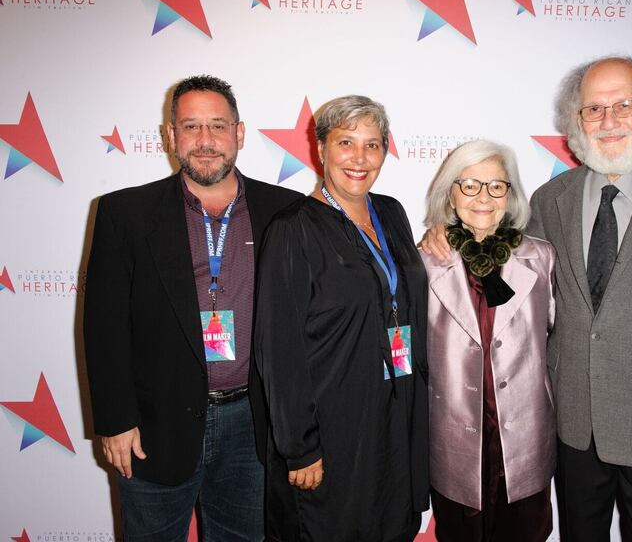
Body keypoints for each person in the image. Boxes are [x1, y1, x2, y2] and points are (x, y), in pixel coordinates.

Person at [422, 56, 632, 541]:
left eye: (624, 106)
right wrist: (440, 233)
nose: (609, 121)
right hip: (572, 429)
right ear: (576, 121)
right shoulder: (551, 200)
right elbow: (497, 252)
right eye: (593, 109)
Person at [84, 75, 301, 540]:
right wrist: (116, 421)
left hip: (253, 427)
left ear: (239, 134)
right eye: (191, 127)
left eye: (218, 127)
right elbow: (104, 328)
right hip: (153, 427)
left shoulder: (286, 210)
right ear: (170, 136)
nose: (205, 142)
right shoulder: (125, 213)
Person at [253, 95, 429, 542]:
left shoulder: (391, 213)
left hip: (394, 420)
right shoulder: (292, 229)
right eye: (346, 142)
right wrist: (300, 448)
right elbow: (278, 349)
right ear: (321, 149)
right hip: (330, 432)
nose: (359, 158)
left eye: (373, 145)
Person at [420, 140, 556, 542]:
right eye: (470, 185)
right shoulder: (423, 262)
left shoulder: (542, 257)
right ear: (451, 192)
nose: (484, 197)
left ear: (510, 194)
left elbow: (557, 336)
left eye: (497, 186)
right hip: (454, 439)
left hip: (525, 438)